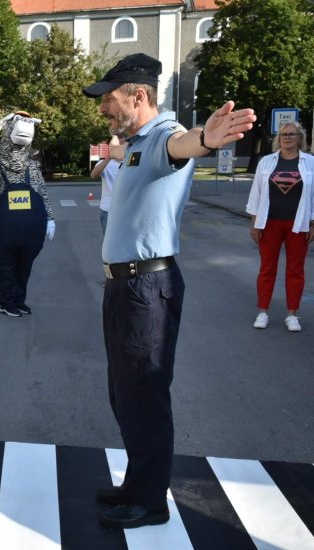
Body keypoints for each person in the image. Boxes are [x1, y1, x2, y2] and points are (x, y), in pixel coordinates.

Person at [82, 52, 255, 529]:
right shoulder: (136, 143)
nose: (104, 110)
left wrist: (206, 138)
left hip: (145, 288)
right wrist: (113, 151)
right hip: (126, 286)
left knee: (145, 395)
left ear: (139, 97)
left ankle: (150, 502)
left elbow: (182, 145)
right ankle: (138, 484)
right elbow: (127, 154)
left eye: (110, 100)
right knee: (125, 394)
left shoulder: (162, 136)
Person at [0, 112, 55, 317]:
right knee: (6, 266)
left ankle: (19, 299)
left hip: (30, 232)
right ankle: (6, 302)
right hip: (5, 231)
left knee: (24, 266)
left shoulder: (32, 167)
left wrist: (50, 218)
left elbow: (42, 192)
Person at [246, 121, 314, 332]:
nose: (288, 137)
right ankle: (262, 312)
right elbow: (256, 192)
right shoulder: (266, 162)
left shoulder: (310, 163)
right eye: (284, 134)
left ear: (299, 138)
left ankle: (292, 315)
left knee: (296, 270)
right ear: (279, 138)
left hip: (299, 224)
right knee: (267, 269)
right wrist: (254, 223)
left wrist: (312, 223)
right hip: (269, 223)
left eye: (292, 134)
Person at [91, 135, 124, 236]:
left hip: (126, 209)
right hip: (108, 209)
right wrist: (109, 157)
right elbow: (93, 175)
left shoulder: (129, 161)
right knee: (108, 239)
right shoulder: (104, 163)